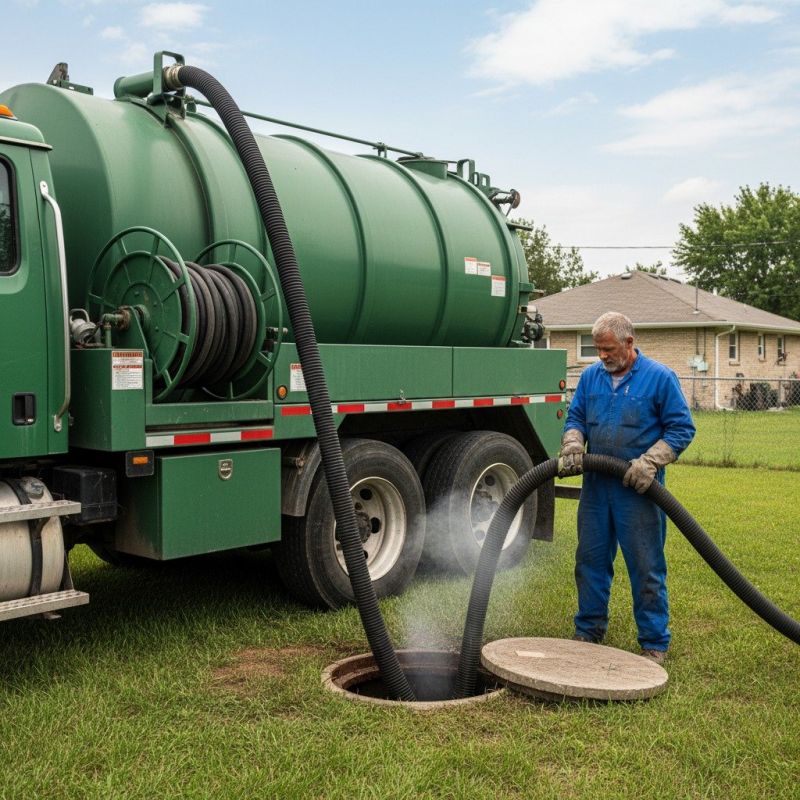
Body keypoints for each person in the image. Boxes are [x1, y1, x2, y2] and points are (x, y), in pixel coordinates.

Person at [558, 312, 695, 664]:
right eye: (597, 349)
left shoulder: (660, 378)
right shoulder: (591, 378)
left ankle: (654, 641)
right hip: (596, 488)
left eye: (608, 349)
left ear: (629, 343)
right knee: (590, 561)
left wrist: (650, 462)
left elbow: (682, 428)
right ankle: (588, 630)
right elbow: (575, 417)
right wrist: (574, 442)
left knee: (646, 565)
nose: (602, 356)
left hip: (638, 490)